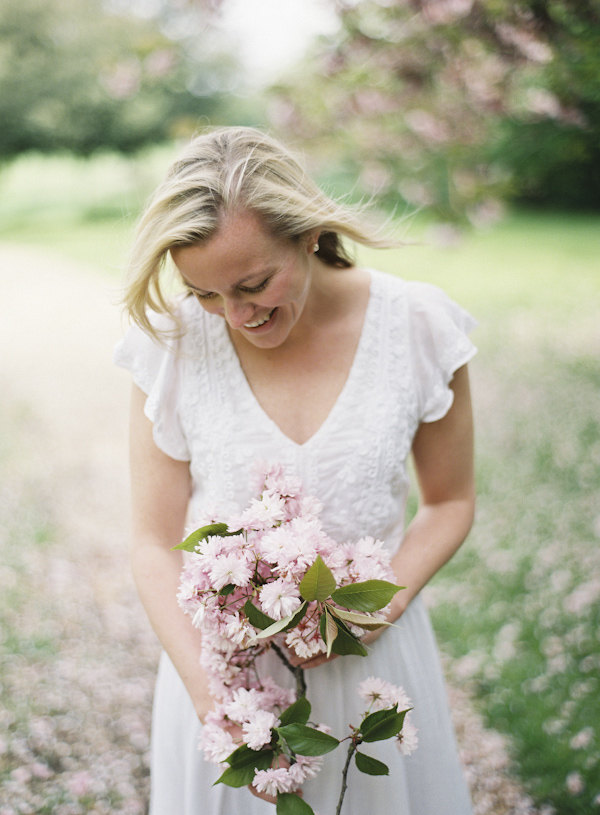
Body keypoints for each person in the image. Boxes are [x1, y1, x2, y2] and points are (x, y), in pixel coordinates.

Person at [114, 126, 477, 814]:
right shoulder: (169, 345)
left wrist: (371, 614)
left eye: (253, 284)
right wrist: (218, 706)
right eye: (208, 294)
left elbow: (451, 500)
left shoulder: (420, 325)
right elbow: (152, 542)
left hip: (377, 667)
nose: (236, 315)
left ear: (308, 232)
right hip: (229, 682)